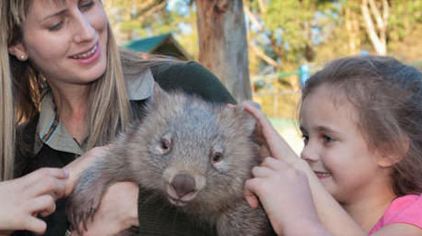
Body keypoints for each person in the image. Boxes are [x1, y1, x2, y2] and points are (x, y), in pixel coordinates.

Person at [2, 0, 234, 235]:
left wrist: (134, 209)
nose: (86, 32)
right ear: (18, 45)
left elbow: (256, 212)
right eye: (56, 24)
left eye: (87, 5)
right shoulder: (18, 157)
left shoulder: (185, 89)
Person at [244, 55, 422, 235]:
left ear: (388, 150)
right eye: (306, 137)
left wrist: (297, 220)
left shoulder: (415, 216)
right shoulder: (311, 208)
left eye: (327, 138)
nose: (307, 153)